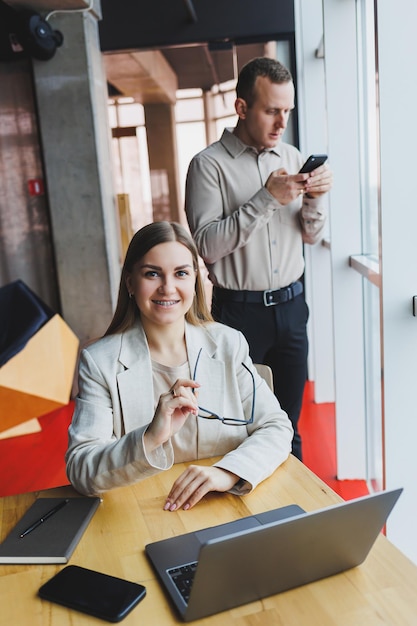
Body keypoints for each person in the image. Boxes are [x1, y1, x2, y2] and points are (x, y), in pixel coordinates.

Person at [65, 221, 293, 510]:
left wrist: (227, 473)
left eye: (181, 273)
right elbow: (81, 469)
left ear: (194, 280)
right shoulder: (100, 362)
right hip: (144, 511)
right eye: (152, 274)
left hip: (225, 504)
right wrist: (149, 438)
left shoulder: (227, 343)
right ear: (130, 283)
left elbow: (276, 427)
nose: (167, 288)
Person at [185, 57, 333, 461]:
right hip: (237, 313)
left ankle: (296, 521)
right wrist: (267, 198)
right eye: (272, 110)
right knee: (241, 427)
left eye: (287, 111)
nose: (281, 122)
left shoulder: (291, 154)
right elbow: (207, 246)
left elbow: (311, 235)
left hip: (291, 309)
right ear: (242, 108)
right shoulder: (208, 165)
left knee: (290, 426)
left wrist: (315, 200)